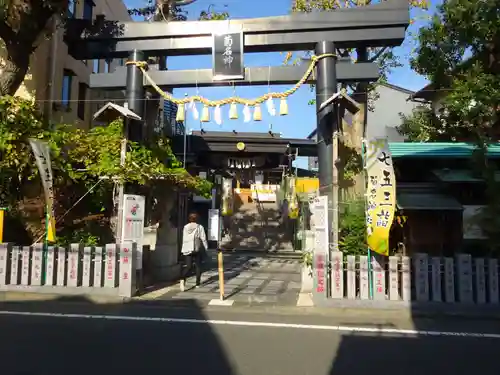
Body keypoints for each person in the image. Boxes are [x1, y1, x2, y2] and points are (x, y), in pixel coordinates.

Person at [180, 212, 208, 291]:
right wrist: (206, 247)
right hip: (196, 249)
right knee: (198, 266)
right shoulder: (199, 227)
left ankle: (182, 279)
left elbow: (184, 238)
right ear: (197, 219)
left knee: (188, 266)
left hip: (187, 249)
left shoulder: (185, 227)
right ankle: (197, 283)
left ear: (189, 219)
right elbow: (203, 238)